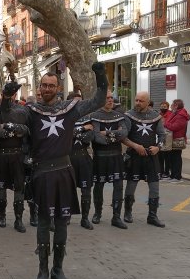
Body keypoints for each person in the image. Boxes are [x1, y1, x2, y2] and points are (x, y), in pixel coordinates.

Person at [25, 64, 107, 279]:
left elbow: (99, 100)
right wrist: (5, 97)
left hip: (64, 172)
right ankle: (42, 269)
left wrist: (100, 75)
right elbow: (7, 114)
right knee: (43, 225)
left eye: (51, 85)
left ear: (58, 88)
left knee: (62, 225)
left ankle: (57, 269)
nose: (47, 89)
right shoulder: (31, 111)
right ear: (39, 88)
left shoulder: (71, 109)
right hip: (41, 173)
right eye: (44, 86)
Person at [122, 91, 166, 228]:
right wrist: (135, 146)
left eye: (141, 101)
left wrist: (158, 147)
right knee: (131, 186)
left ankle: (152, 216)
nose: (137, 103)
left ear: (148, 102)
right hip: (134, 156)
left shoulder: (156, 117)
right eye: (136, 100)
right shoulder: (129, 116)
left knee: (154, 187)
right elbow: (123, 137)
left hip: (151, 156)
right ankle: (127, 212)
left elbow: (163, 136)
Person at [0, 81, 29, 233]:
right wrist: (14, 133)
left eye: (12, 93)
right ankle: (2, 216)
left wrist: (8, 126)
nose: (10, 96)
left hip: (17, 154)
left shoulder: (22, 109)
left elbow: (26, 129)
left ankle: (18, 219)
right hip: (1, 154)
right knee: (1, 187)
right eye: (7, 93)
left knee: (19, 187)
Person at [90, 91, 129, 228]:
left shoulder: (119, 116)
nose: (110, 100)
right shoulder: (94, 116)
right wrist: (115, 136)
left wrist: (106, 133)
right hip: (100, 157)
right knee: (98, 187)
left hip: (116, 157)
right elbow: (96, 137)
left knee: (118, 186)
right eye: (107, 98)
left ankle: (116, 217)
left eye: (112, 97)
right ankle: (97, 213)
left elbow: (124, 133)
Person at [70, 110, 95, 229]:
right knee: (68, 190)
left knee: (86, 190)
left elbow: (89, 138)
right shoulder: (66, 119)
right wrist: (83, 129)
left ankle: (84, 218)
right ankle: (67, 215)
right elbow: (65, 134)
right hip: (69, 159)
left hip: (84, 158)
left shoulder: (88, 119)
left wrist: (74, 133)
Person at [163, 99, 190, 183]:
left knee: (176, 158)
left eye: (172, 104)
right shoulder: (175, 113)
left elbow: (175, 126)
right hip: (172, 139)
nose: (170, 106)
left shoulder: (181, 115)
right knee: (171, 158)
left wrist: (165, 124)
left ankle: (177, 176)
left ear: (176, 106)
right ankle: (172, 175)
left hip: (177, 139)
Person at [157, 101, 171, 179]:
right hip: (160, 137)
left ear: (167, 107)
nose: (163, 107)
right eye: (161, 106)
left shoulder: (170, 114)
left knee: (167, 156)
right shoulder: (159, 114)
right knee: (160, 156)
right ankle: (161, 171)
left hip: (168, 137)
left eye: (164, 106)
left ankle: (167, 172)